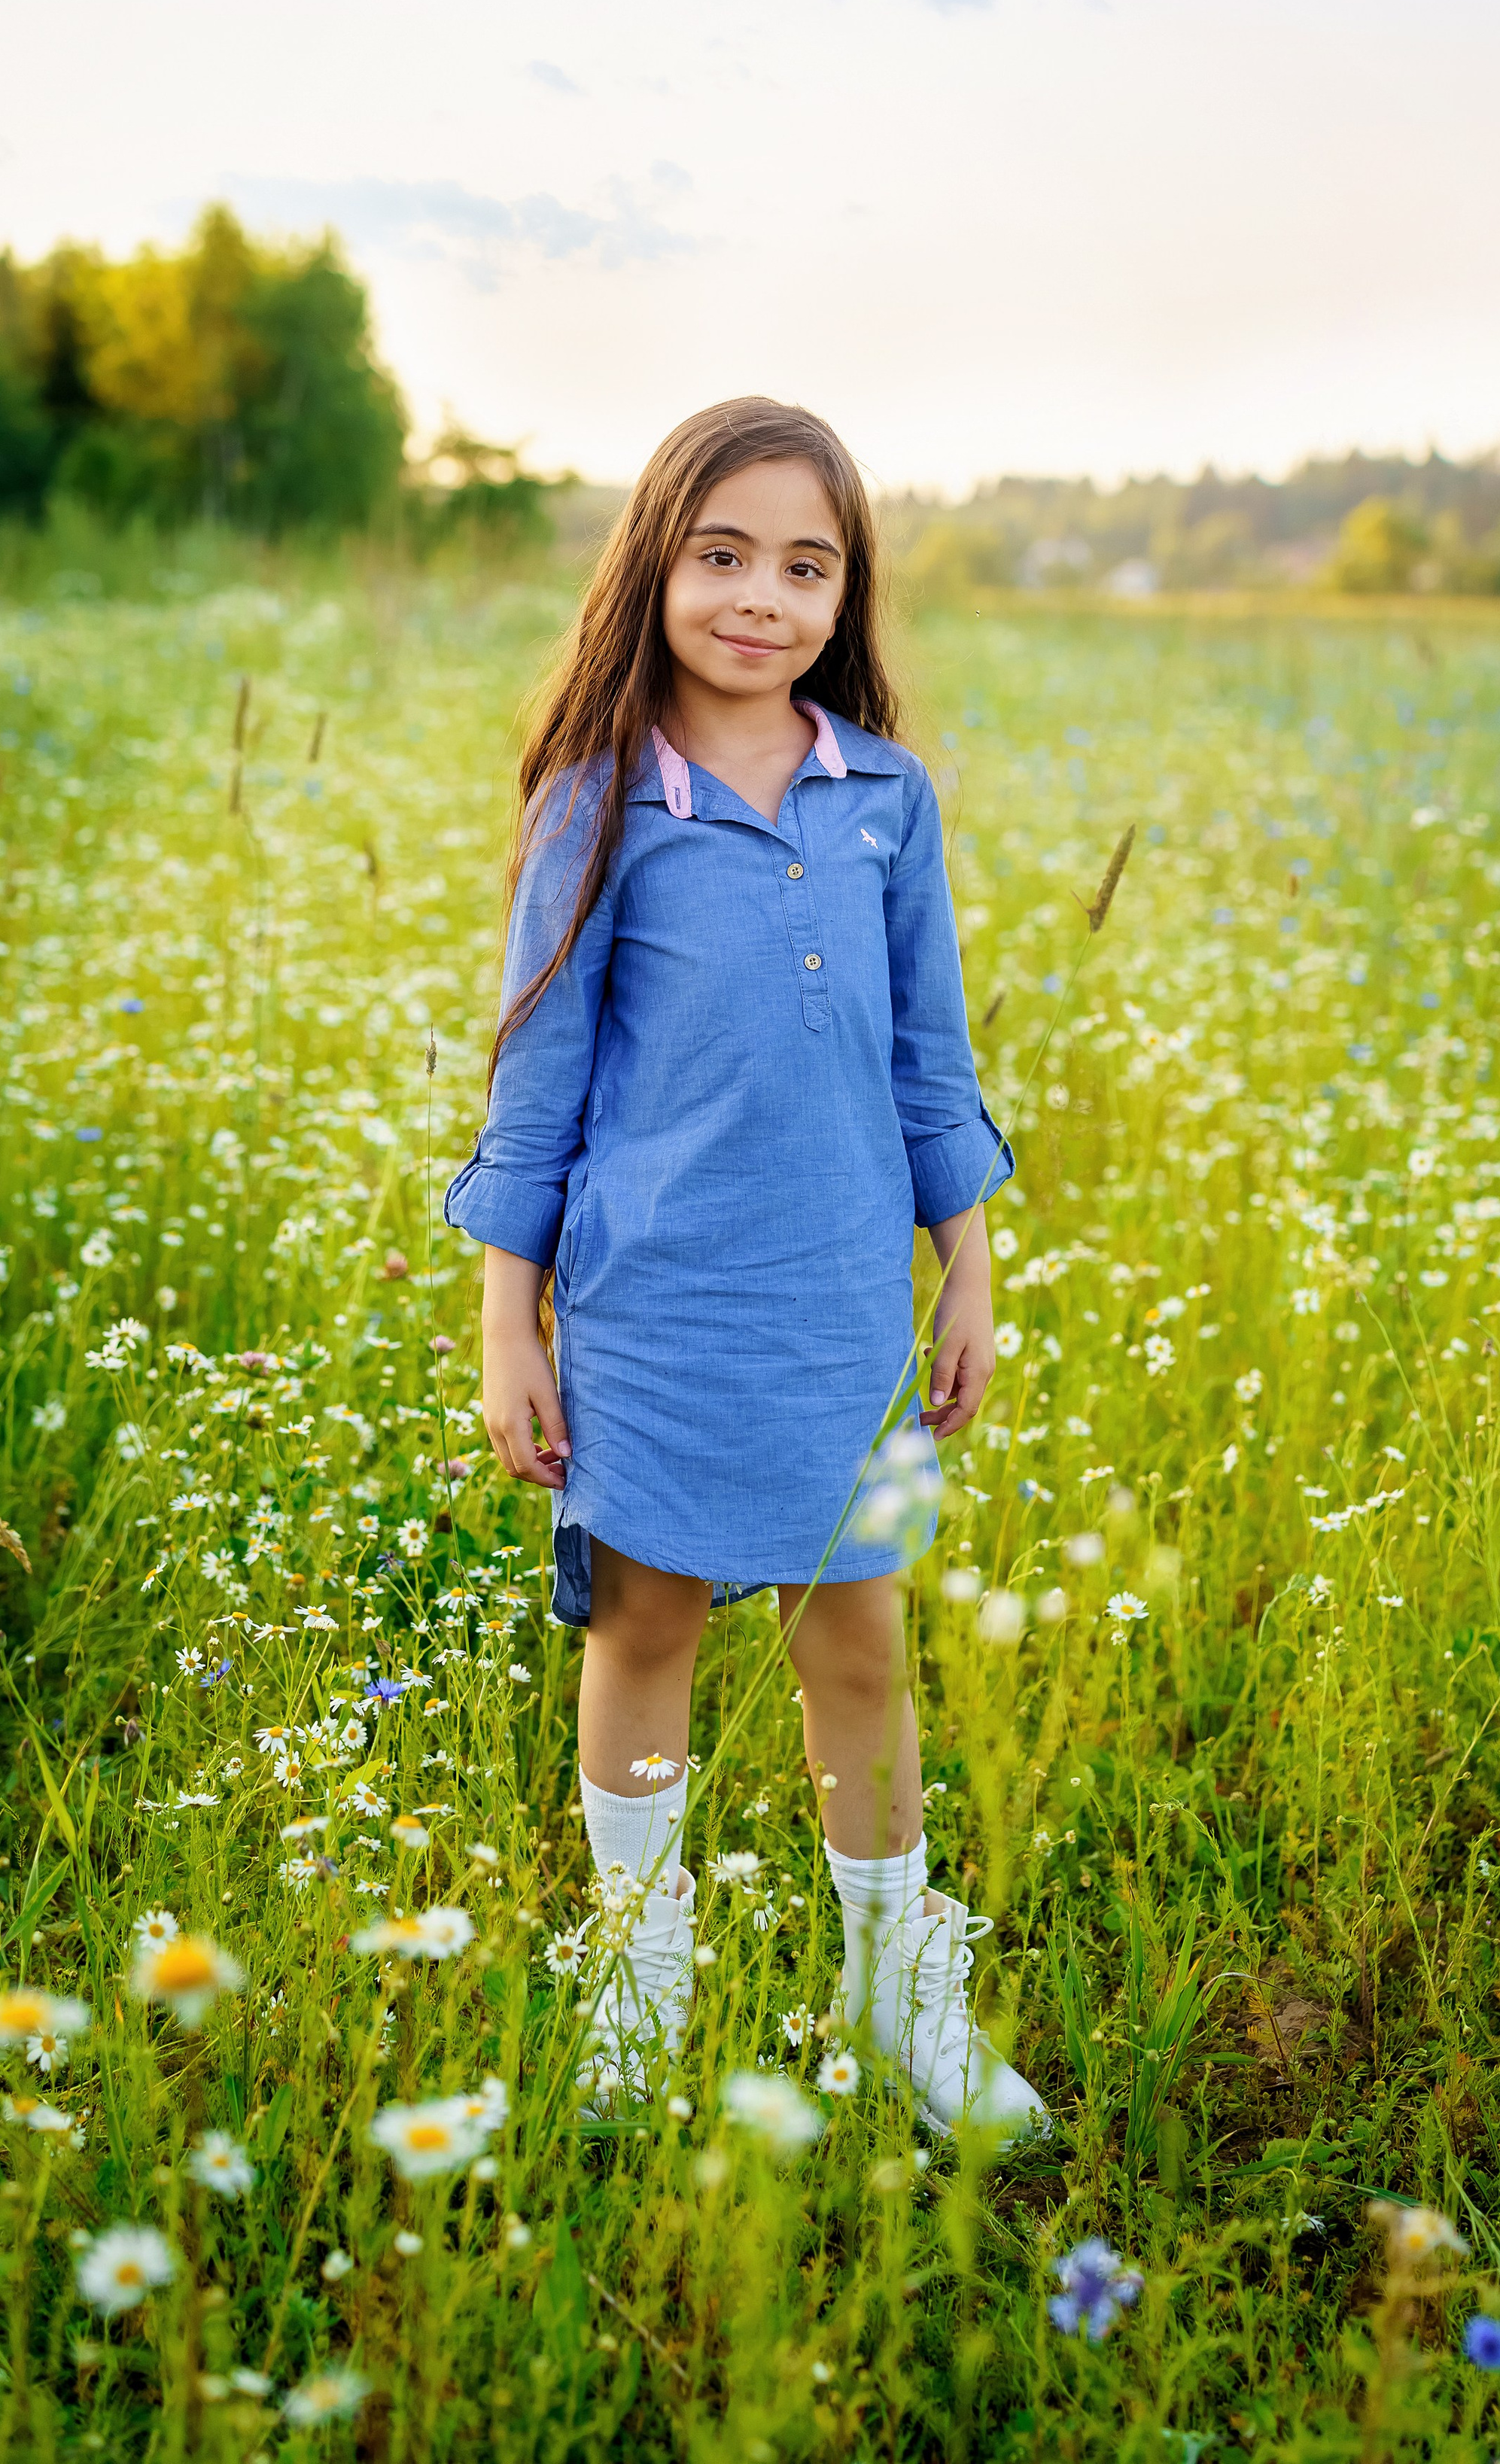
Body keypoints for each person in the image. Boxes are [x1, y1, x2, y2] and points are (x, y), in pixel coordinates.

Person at [444, 395, 1048, 2141]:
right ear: (655, 565)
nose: (757, 597)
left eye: (804, 564)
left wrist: (968, 1271)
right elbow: (538, 1071)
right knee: (644, 1627)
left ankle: (892, 1980)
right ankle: (636, 1976)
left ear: (843, 595)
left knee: (856, 1640)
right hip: (653, 1309)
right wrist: (514, 1324)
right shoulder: (598, 800)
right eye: (721, 556)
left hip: (840, 1305)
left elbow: (928, 1055)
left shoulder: (885, 804)